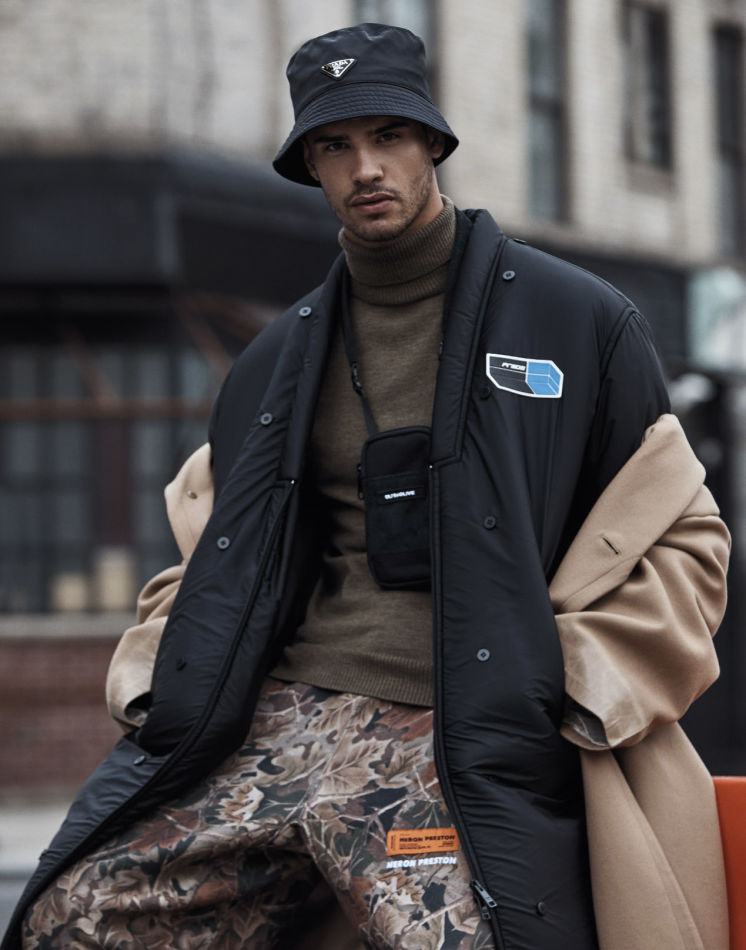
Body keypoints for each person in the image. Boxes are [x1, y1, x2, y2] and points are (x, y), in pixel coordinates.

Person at [4, 22, 731, 950]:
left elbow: (685, 537)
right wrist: (158, 674)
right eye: (336, 146)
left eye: (388, 136)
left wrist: (571, 686)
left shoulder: (576, 320)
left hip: (462, 719)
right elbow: (212, 553)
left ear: (432, 142)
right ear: (312, 167)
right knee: (72, 915)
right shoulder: (271, 360)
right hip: (278, 717)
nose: (366, 168)